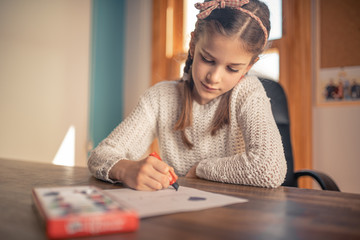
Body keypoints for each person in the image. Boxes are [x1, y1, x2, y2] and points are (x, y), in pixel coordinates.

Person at [88, 0, 287, 191]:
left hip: (237, 216)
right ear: (192, 45)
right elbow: (100, 156)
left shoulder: (248, 92)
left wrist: (200, 170)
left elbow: (269, 169)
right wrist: (125, 169)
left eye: (232, 69)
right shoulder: (160, 97)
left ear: (249, 66)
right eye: (207, 59)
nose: (214, 77)